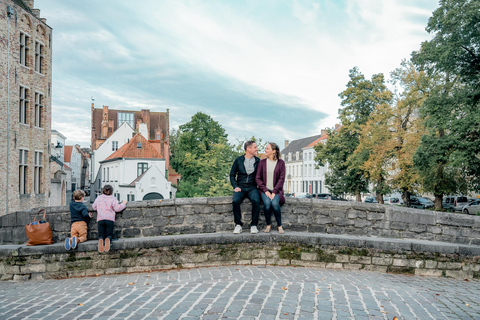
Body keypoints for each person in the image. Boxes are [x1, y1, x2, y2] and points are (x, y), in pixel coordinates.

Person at [229, 140, 261, 234]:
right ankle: (238, 225)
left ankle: (254, 225)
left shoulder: (258, 161)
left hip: (252, 187)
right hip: (240, 187)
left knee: (256, 201)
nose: (257, 149)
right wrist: (235, 186)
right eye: (255, 147)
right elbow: (232, 175)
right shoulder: (238, 160)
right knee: (235, 201)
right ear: (248, 148)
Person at [255, 142, 286, 234]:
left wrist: (274, 192)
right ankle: (268, 225)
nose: (265, 150)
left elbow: (281, 179)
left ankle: (279, 226)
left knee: (275, 204)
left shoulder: (281, 163)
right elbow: (257, 178)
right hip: (264, 190)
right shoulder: (262, 162)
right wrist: (265, 190)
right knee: (267, 204)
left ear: (273, 151)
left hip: (276, 191)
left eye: (267, 148)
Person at [92, 185, 126, 252]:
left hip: (100, 219)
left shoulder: (99, 198)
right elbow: (117, 208)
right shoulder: (113, 198)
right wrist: (123, 203)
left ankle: (101, 239)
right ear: (112, 192)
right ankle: (108, 239)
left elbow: (94, 207)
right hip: (110, 219)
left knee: (101, 234)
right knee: (109, 234)